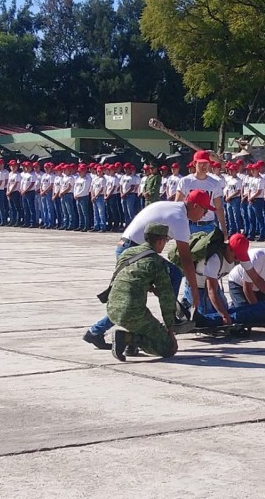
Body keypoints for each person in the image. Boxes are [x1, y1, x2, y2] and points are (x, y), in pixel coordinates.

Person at [83, 189, 214, 349]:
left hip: (127, 247)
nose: (205, 214)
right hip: (137, 252)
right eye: (204, 210)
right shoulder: (180, 219)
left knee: (131, 299)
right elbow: (186, 258)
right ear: (195, 206)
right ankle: (170, 317)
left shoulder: (170, 207)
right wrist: (194, 289)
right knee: (169, 276)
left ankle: (99, 333)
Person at [106, 223, 179, 362]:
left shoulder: (128, 252)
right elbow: (167, 298)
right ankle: (126, 338)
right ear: (160, 241)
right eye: (165, 241)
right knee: (168, 348)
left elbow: (127, 277)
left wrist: (147, 286)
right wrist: (170, 331)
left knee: (143, 318)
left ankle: (131, 345)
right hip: (132, 311)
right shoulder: (156, 262)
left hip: (112, 307)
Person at [176, 150, 227, 238]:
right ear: (195, 163)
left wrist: (224, 229)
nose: (204, 166)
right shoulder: (185, 181)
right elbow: (177, 205)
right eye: (201, 163)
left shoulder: (215, 183)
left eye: (206, 163)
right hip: (189, 226)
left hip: (208, 226)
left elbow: (218, 208)